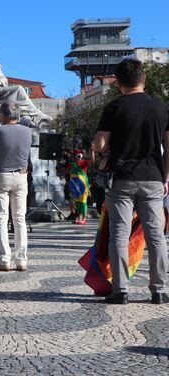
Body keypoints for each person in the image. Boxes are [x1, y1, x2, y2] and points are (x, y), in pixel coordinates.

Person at [92, 58, 169, 305]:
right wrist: (165, 177)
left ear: (119, 84)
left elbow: (100, 144)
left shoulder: (114, 107)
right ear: (143, 79)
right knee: (156, 235)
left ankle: (121, 289)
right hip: (153, 178)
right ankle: (158, 290)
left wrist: (101, 147)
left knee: (119, 234)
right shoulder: (161, 107)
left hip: (123, 179)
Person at [0, 102, 31, 272]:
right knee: (19, 219)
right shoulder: (27, 132)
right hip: (21, 176)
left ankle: (4, 259)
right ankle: (21, 260)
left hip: (1, 176)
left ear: (5, 115)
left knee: (1, 218)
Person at [0, 41, 51, 126]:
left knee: (16, 99)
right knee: (18, 89)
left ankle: (28, 117)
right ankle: (37, 114)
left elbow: (4, 79)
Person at [68, 150, 89, 225]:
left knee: (83, 201)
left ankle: (84, 218)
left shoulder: (84, 162)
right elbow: (69, 172)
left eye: (80, 153)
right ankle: (79, 217)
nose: (79, 155)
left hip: (83, 184)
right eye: (77, 154)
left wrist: (92, 152)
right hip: (75, 185)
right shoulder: (72, 164)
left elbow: (92, 162)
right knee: (77, 201)